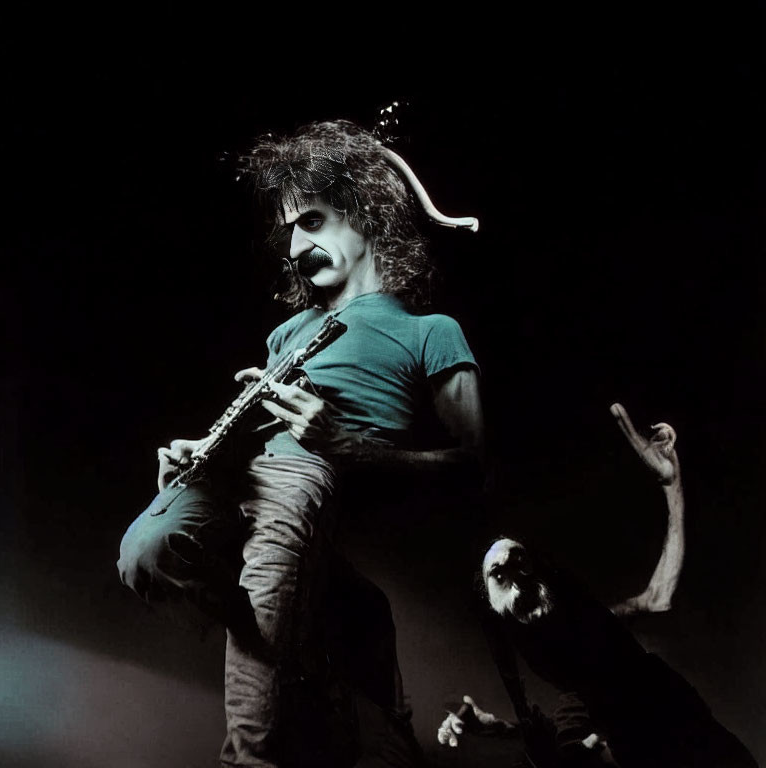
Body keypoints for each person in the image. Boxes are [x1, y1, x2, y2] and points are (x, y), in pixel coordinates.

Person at [117, 120, 485, 768]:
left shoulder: (432, 329)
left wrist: (344, 442)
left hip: (307, 467)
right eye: (287, 229)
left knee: (275, 607)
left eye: (309, 221)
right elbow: (254, 418)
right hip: (244, 468)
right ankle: (324, 622)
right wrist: (201, 445)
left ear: (366, 215)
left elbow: (474, 466)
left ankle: (251, 757)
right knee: (146, 554)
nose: (293, 245)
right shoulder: (288, 331)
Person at [437, 405, 758, 767]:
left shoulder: (594, 631)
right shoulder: (555, 679)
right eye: (499, 572)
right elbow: (570, 734)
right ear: (492, 604)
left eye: (521, 560)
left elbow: (658, 597)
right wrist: (496, 727)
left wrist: (672, 486)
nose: (516, 573)